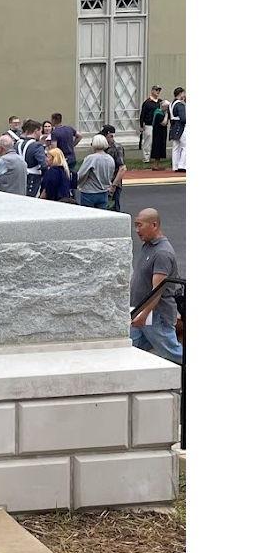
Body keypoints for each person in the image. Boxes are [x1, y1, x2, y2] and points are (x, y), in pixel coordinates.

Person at [130, 208, 183, 364]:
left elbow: (157, 291)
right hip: (140, 312)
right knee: (132, 349)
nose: (137, 230)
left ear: (154, 225)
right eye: (136, 225)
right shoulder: (148, 245)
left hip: (155, 316)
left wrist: (144, 315)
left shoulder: (162, 253)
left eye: (140, 225)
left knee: (174, 353)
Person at [75, 134, 116, 208]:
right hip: (103, 192)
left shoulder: (91, 158)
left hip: (89, 192)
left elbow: (81, 174)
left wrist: (76, 183)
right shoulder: (110, 158)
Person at [17, 118, 47, 197]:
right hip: (33, 178)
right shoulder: (37, 146)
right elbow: (43, 164)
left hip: (18, 177)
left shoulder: (17, 144)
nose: (41, 134)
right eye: (40, 131)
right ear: (36, 130)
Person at [100, 125, 127, 211]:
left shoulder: (116, 148)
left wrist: (114, 185)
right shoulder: (102, 147)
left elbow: (122, 168)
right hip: (102, 184)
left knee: (113, 208)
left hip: (113, 183)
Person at [139, 85, 162, 163]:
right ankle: (146, 158)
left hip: (158, 125)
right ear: (152, 91)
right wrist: (141, 125)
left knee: (156, 141)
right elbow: (142, 114)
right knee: (148, 142)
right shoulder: (147, 102)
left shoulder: (160, 102)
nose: (158, 92)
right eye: (156, 90)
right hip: (149, 124)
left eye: (159, 90)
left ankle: (156, 157)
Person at [169, 87, 187, 173]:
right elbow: (183, 118)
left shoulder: (171, 104)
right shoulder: (180, 105)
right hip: (180, 126)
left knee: (175, 147)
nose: (184, 95)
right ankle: (182, 165)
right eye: (183, 93)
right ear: (180, 94)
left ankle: (175, 166)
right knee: (185, 146)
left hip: (173, 126)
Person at [149, 99, 169, 169]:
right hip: (158, 134)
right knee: (157, 148)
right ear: (163, 107)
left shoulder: (161, 113)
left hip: (161, 133)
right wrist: (167, 114)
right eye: (167, 107)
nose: (167, 109)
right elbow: (164, 123)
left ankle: (157, 165)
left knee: (160, 148)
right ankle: (155, 165)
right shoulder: (158, 113)